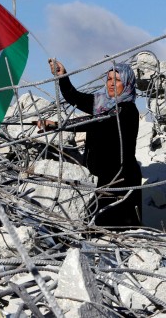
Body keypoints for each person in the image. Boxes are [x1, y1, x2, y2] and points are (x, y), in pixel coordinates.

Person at [40, 59, 142, 228]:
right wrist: (62, 76)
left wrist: (58, 126)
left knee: (111, 230)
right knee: (95, 228)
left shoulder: (127, 110)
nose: (111, 84)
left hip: (120, 180)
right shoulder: (102, 104)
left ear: (127, 83)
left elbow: (95, 123)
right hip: (102, 177)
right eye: (109, 79)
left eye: (117, 80)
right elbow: (75, 97)